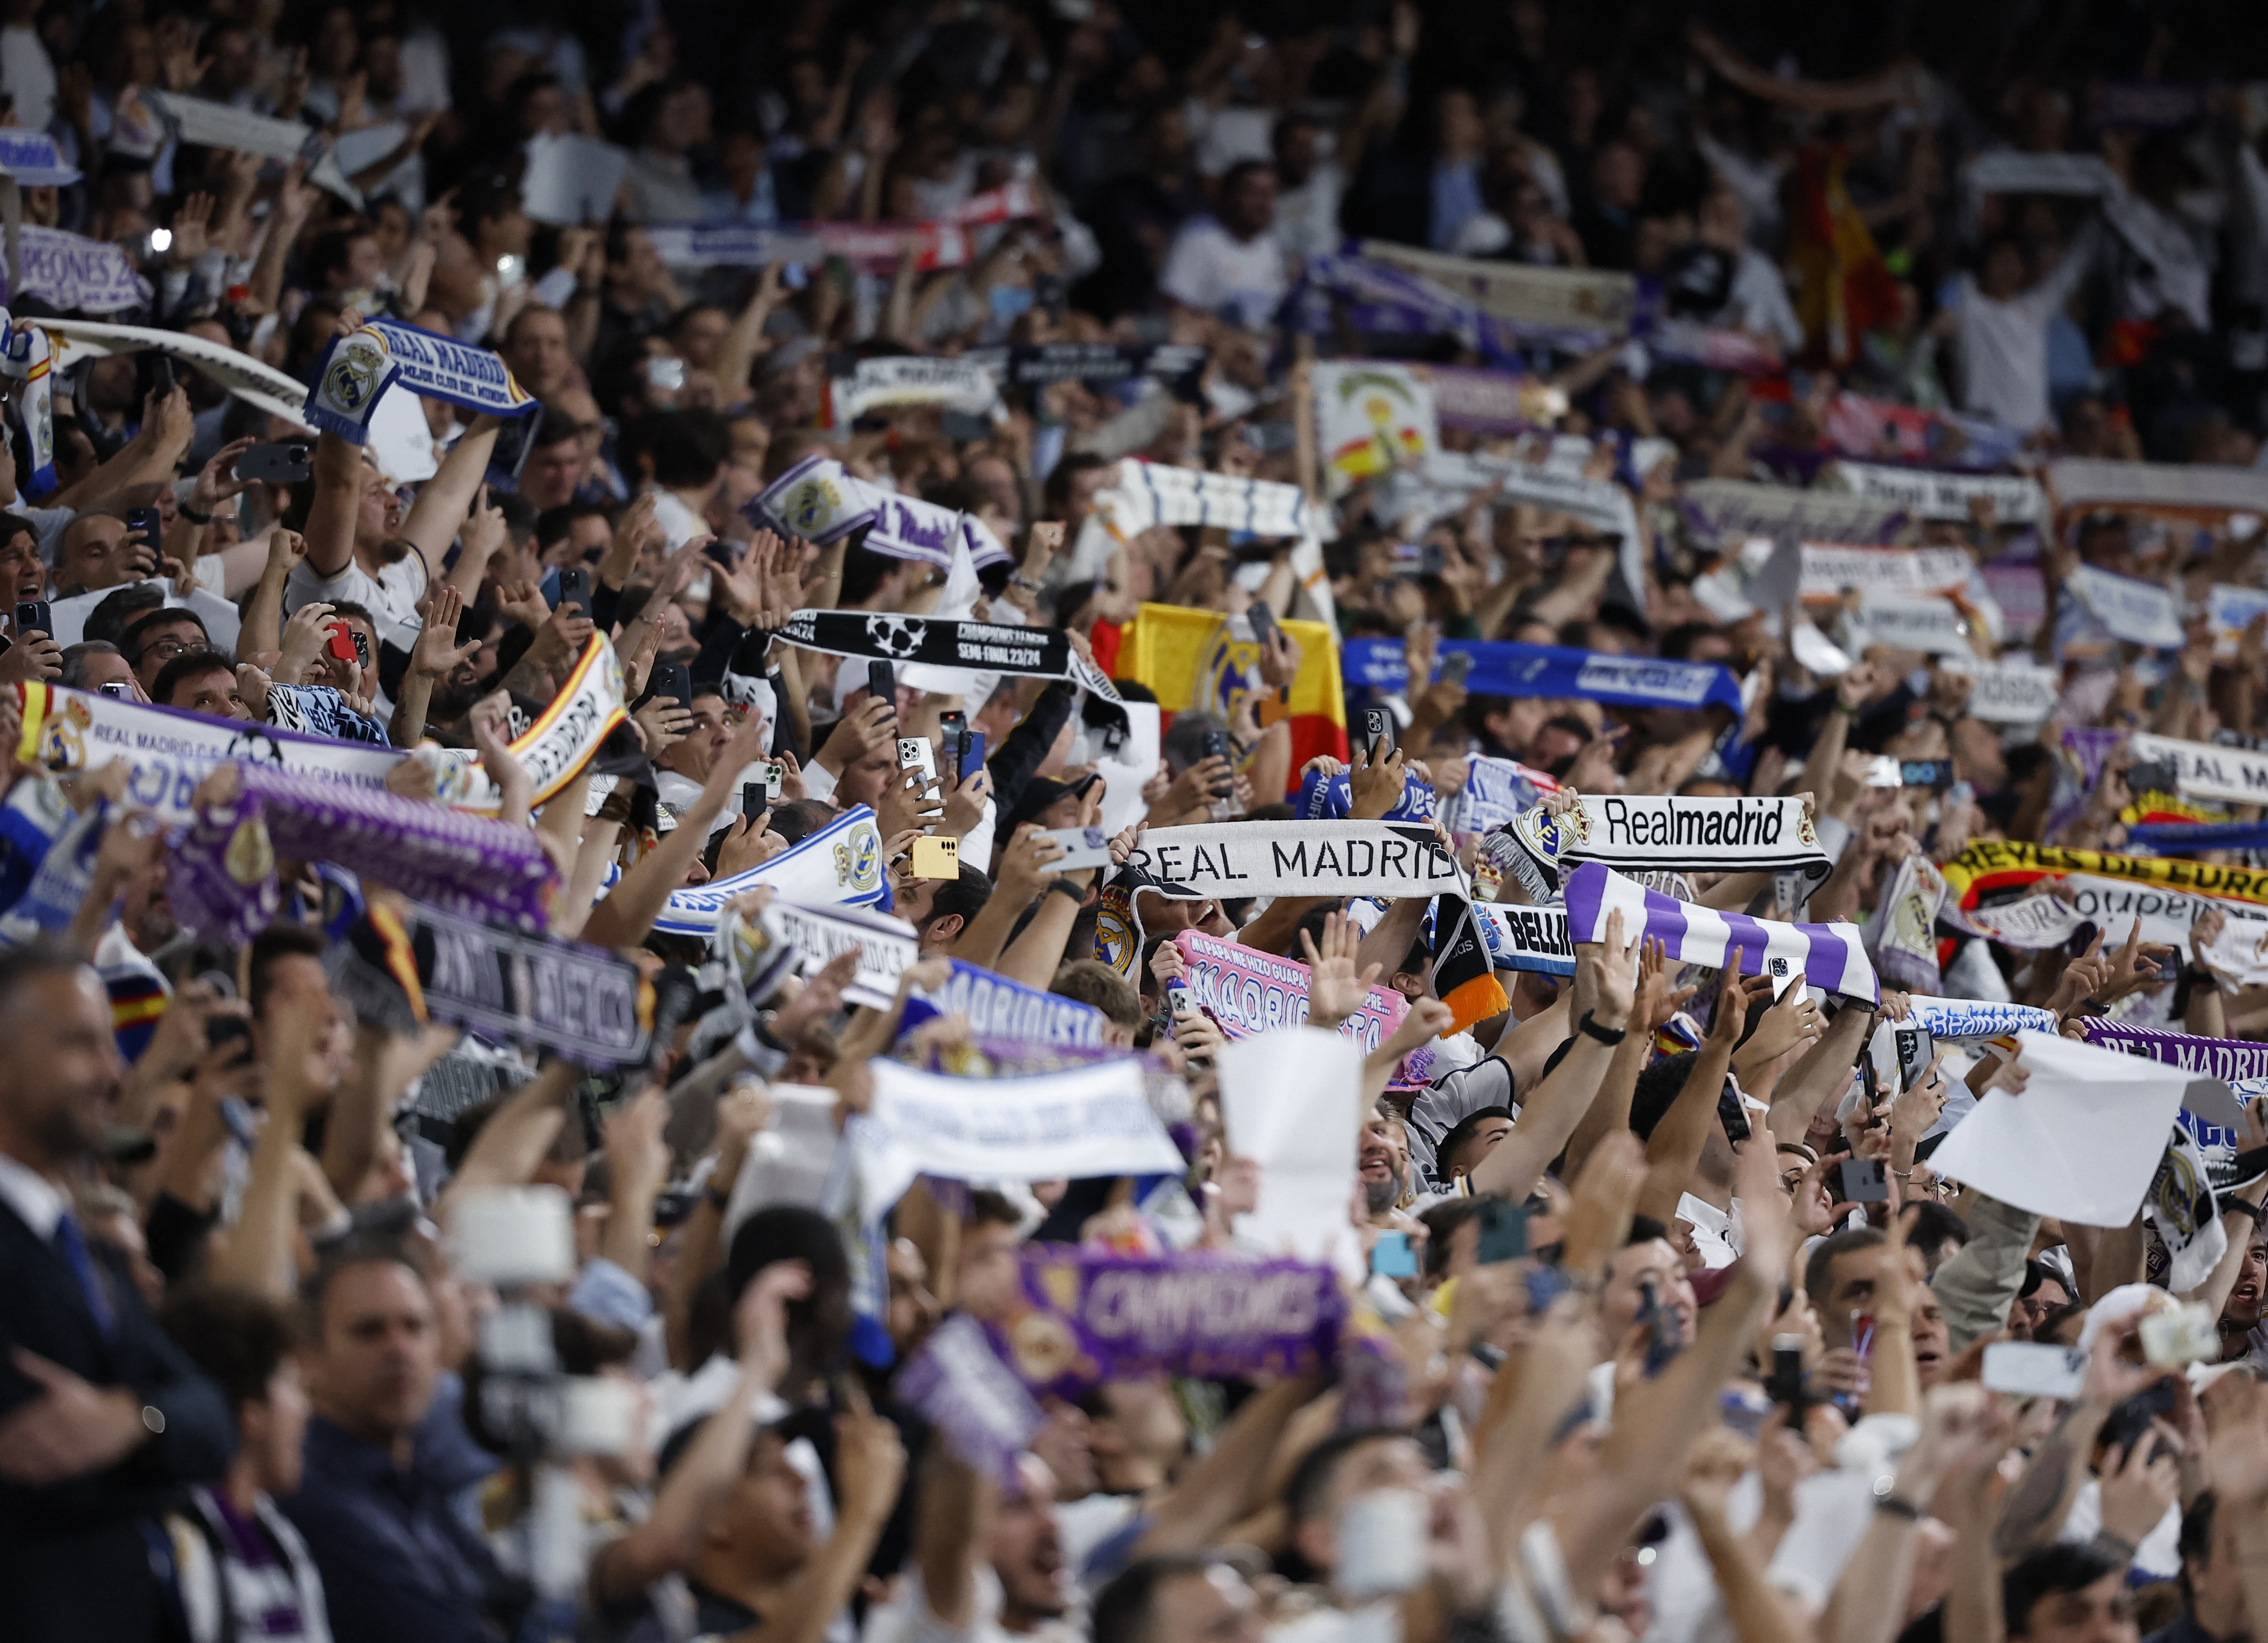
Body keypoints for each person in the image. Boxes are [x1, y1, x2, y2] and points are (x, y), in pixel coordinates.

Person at [0, 944, 235, 1643]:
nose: (114, 1070)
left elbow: (210, 1417)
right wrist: (151, 1437)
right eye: (80, 1044)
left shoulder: (88, 1250)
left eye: (110, 1045)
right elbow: (43, 1462)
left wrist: (135, 1420)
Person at [279, 1243, 522, 1643]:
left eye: (415, 1327)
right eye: (369, 1331)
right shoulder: (307, 1490)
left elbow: (511, 1599)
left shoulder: (410, 1475)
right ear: (309, 1360)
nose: (399, 1349)